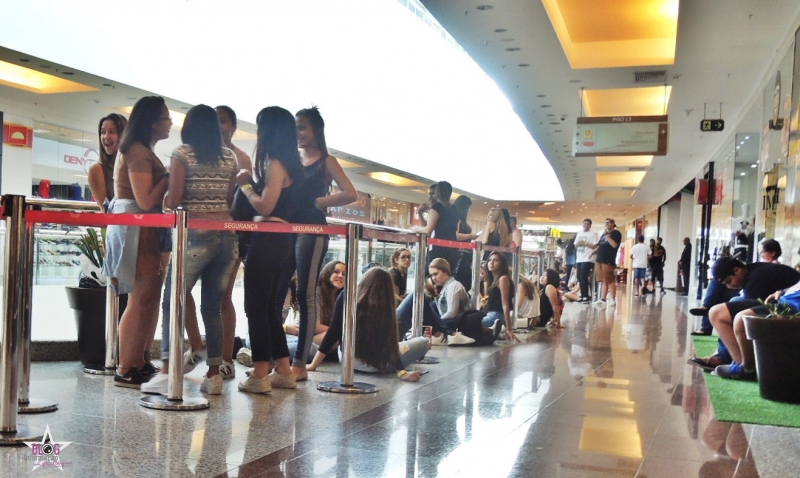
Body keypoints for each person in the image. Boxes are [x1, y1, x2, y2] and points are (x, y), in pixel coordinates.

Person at [144, 105, 239, 395]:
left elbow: (174, 199)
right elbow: (228, 197)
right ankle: (214, 375)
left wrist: (164, 203)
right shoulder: (230, 157)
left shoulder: (182, 153)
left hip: (196, 234)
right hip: (228, 235)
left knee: (173, 299)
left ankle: (167, 369)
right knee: (213, 306)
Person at [236, 106, 307, 394]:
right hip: (284, 242)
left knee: (255, 308)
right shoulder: (293, 165)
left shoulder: (275, 164)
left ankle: (260, 374)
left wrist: (245, 187)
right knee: (268, 309)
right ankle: (284, 370)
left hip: (267, 240)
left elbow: (265, 205)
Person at [103, 96, 171, 388]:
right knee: (139, 297)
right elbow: (144, 200)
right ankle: (126, 366)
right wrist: (167, 178)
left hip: (142, 228)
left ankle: (138, 361)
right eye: (166, 118)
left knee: (147, 298)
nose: (170, 123)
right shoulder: (138, 152)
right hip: (136, 228)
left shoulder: (141, 150)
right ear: (153, 122)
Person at [292, 107, 357, 381]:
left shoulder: (326, 161)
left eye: (303, 128)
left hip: (313, 231)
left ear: (316, 130)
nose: (299, 134)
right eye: (296, 128)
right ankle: (283, 361)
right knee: (290, 293)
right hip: (289, 229)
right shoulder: (292, 160)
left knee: (306, 295)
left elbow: (350, 192)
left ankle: (298, 365)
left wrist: (320, 202)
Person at [307, 268, 426, 381]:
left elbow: (333, 332)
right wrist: (402, 373)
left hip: (347, 360)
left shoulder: (346, 295)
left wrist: (313, 365)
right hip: (378, 365)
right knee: (422, 342)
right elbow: (390, 343)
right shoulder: (386, 307)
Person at [707, 258, 800, 380]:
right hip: (785, 301)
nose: (730, 286)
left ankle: (746, 367)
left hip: (791, 308)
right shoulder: (755, 273)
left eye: (729, 281)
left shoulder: (754, 278)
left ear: (737, 270)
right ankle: (739, 363)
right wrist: (782, 291)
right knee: (722, 310)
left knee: (739, 317)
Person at [216, 105, 253, 380]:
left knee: (222, 296)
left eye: (224, 122)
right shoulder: (199, 156)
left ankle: (226, 358)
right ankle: (204, 352)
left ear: (233, 127)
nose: (219, 127)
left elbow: (241, 202)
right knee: (198, 297)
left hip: (231, 234)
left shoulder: (241, 159)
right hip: (201, 232)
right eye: (214, 122)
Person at [396, 259, 475, 345]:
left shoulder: (453, 286)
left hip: (454, 323)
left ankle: (449, 334)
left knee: (420, 296)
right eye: (432, 275)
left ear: (445, 272)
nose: (433, 278)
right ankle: (451, 334)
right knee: (422, 299)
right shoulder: (445, 288)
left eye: (436, 274)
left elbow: (452, 313)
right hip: (447, 324)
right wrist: (436, 322)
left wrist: (436, 322)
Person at [410, 181, 460, 271]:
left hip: (438, 249)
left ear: (438, 192)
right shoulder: (454, 208)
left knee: (433, 276)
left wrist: (415, 228)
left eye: (433, 193)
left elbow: (428, 230)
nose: (431, 196)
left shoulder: (437, 207)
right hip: (452, 249)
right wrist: (420, 214)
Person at [88, 113, 127, 211]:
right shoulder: (97, 169)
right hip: (116, 224)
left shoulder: (131, 167)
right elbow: (106, 211)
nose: (106, 136)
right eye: (103, 132)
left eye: (112, 132)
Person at [481, 252, 519, 342]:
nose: (491, 262)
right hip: (494, 315)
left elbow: (505, 305)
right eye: (490, 260)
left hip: (496, 315)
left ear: (502, 264)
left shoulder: (503, 279)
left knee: (469, 323)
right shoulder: (494, 280)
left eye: (496, 260)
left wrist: (509, 329)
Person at [453, 195, 479, 290]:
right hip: (461, 255)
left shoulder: (462, 220)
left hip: (466, 254)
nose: (467, 210)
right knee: (463, 278)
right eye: (466, 208)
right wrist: (471, 236)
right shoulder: (457, 220)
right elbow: (457, 235)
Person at [594, 218, 621, 306]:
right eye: (605, 223)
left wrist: (608, 236)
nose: (607, 224)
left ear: (613, 223)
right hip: (600, 259)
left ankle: (613, 299)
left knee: (610, 280)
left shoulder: (616, 233)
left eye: (608, 223)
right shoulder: (604, 234)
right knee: (603, 280)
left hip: (608, 260)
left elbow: (614, 245)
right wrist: (593, 253)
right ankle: (603, 299)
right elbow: (600, 245)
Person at [574, 218, 598, 302]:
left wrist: (585, 243)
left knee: (583, 275)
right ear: (582, 224)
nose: (586, 225)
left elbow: (595, 246)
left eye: (588, 224)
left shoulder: (593, 234)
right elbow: (575, 246)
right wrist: (578, 243)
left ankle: (585, 295)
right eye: (584, 223)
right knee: (578, 276)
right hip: (579, 258)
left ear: (590, 225)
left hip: (588, 258)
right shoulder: (579, 233)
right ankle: (583, 293)